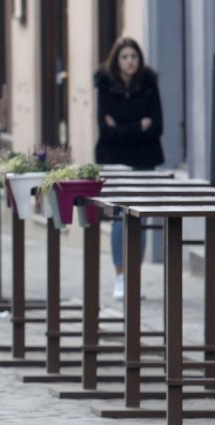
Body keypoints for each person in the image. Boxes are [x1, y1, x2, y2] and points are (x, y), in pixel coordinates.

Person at [94, 37, 164, 300]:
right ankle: (120, 276)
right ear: (117, 60)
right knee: (119, 219)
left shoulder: (149, 83)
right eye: (124, 57)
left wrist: (121, 128)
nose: (129, 62)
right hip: (114, 161)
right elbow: (104, 130)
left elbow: (157, 126)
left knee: (140, 218)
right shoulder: (105, 85)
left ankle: (134, 277)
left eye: (133, 57)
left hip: (145, 160)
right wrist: (138, 126)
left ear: (139, 60)